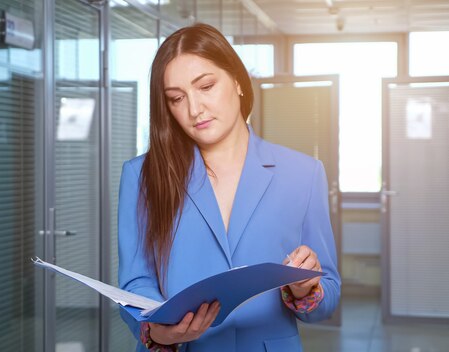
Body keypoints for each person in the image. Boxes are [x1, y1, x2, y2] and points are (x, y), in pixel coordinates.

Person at [118, 23, 340, 352]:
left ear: (237, 80)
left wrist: (305, 289)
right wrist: (156, 331)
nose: (194, 110)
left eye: (206, 86)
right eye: (177, 98)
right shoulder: (143, 175)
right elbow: (135, 282)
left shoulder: (303, 173)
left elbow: (329, 292)